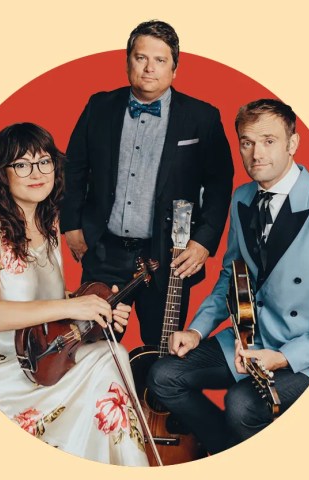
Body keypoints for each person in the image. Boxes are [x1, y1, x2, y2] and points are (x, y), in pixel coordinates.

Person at [146, 99, 309, 454]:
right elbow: (231, 277)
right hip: (249, 341)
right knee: (163, 376)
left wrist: (284, 358)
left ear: (292, 143)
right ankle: (225, 453)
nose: (256, 153)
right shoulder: (242, 198)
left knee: (242, 405)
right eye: (247, 142)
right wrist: (196, 331)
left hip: (304, 353)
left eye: (269, 141)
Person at [0, 123, 149, 465]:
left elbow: (49, 304)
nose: (36, 173)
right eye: (22, 165)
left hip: (41, 361)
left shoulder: (48, 227)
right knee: (104, 363)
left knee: (111, 354)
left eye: (44, 162)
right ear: (1, 174)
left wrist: (97, 308)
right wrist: (74, 305)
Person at [60, 20, 234, 346]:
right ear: (128, 61)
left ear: (175, 69)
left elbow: (220, 183)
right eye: (141, 58)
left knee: (160, 351)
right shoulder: (100, 106)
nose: (149, 68)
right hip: (104, 251)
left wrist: (204, 241)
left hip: (168, 254)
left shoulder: (202, 117)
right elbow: (75, 167)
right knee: (90, 347)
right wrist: (71, 224)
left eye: (160, 60)